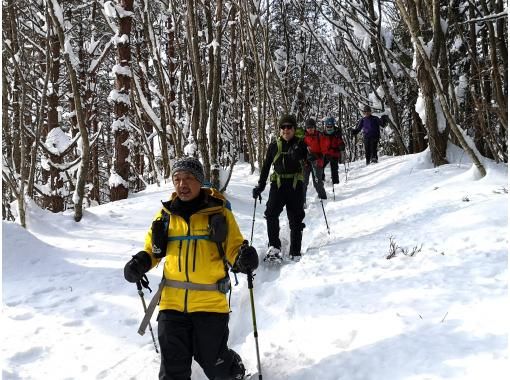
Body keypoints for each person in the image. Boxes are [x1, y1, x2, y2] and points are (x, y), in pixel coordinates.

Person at [123, 156, 259, 380]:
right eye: (177, 179)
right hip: (171, 304)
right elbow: (153, 250)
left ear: (200, 181)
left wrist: (243, 257)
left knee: (215, 364)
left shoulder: (219, 213)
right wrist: (139, 263)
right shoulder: (165, 216)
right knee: (172, 370)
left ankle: (233, 368)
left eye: (188, 178)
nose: (182, 184)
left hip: (210, 304)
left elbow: (233, 248)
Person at [252, 114, 308, 262]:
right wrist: (261, 185)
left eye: (289, 127)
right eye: (283, 127)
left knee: (296, 218)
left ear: (294, 129)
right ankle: (274, 247)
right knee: (271, 213)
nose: (286, 130)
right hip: (278, 185)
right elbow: (265, 167)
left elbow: (308, 158)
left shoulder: (300, 144)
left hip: (295, 185)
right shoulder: (274, 146)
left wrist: (301, 154)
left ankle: (295, 251)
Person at [302, 118, 327, 205]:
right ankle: (302, 201)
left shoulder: (319, 136)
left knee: (317, 182)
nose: (310, 129)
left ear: (315, 127)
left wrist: (316, 156)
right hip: (306, 162)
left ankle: (323, 197)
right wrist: (305, 155)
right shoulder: (304, 137)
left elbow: (324, 150)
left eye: (312, 127)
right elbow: (301, 150)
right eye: (308, 128)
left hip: (317, 162)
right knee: (303, 182)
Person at [321, 117, 345, 184]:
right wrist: (325, 153)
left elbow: (340, 142)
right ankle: (321, 180)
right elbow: (322, 145)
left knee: (334, 169)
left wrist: (341, 146)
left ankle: (336, 183)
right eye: (327, 126)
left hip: (334, 154)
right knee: (321, 166)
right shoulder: (323, 134)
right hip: (326, 154)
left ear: (333, 126)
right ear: (325, 126)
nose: (329, 128)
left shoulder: (337, 134)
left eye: (330, 126)